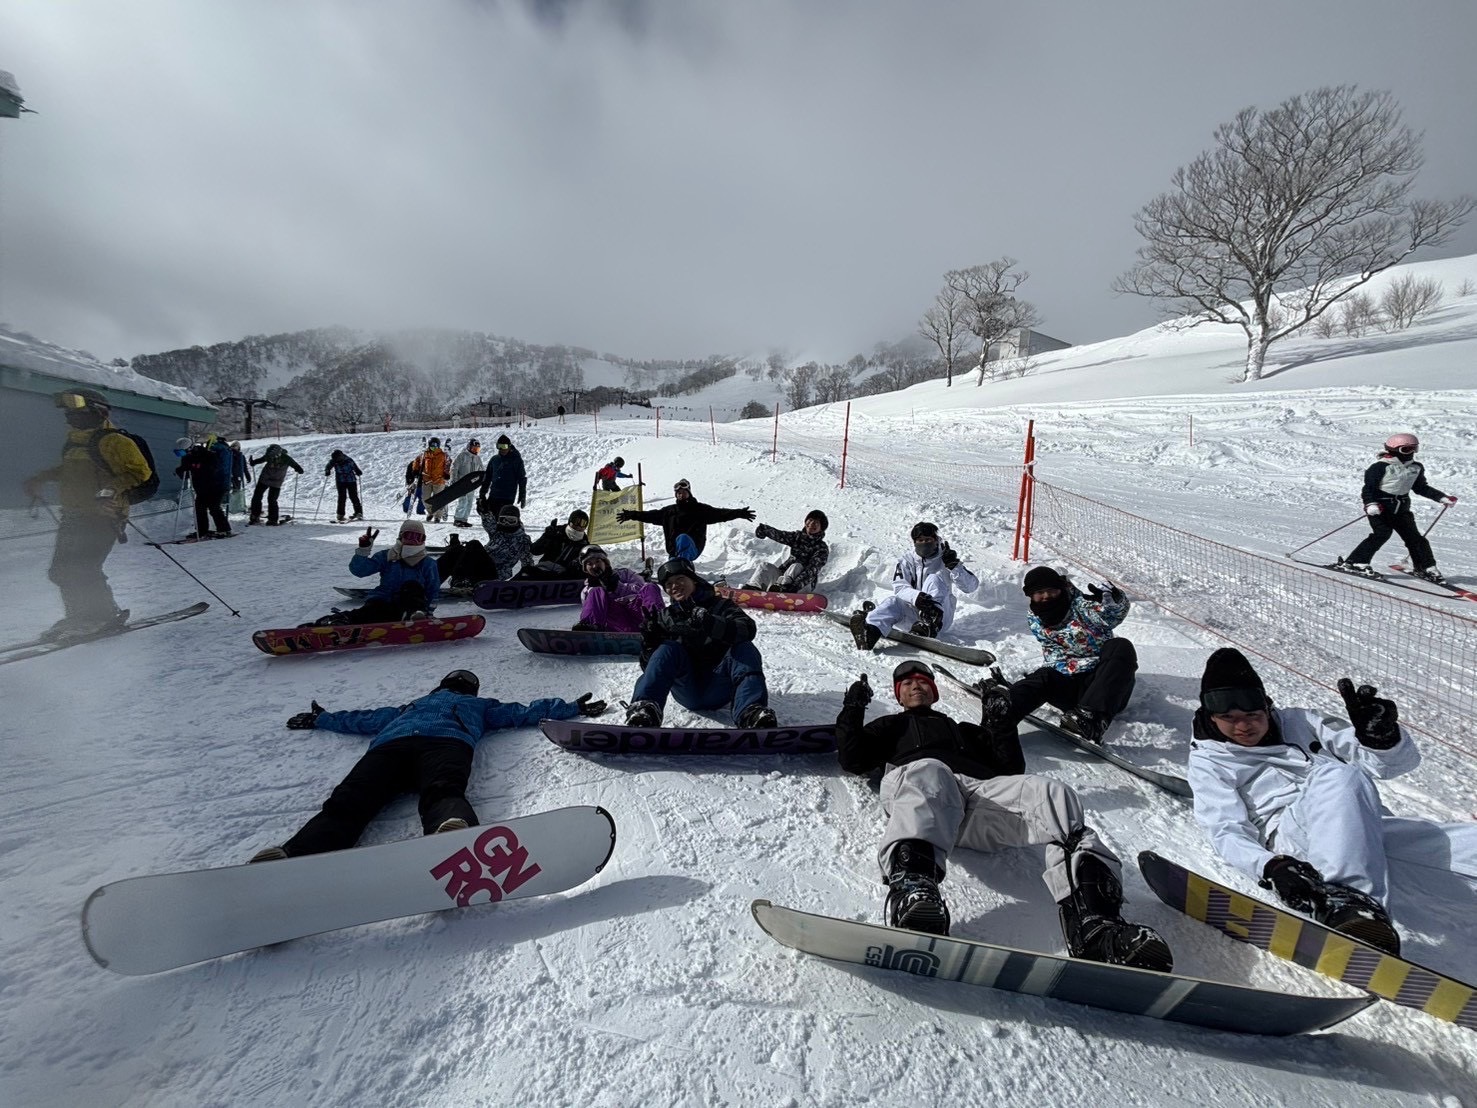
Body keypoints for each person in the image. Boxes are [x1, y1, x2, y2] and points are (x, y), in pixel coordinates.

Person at [835, 660, 1173, 970]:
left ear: (934, 692)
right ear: (899, 696)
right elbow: (853, 759)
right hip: (924, 797)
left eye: (923, 682)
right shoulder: (889, 726)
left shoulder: (965, 730)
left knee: (1052, 792)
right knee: (930, 769)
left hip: (979, 802)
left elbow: (1009, 769)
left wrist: (1000, 722)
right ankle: (913, 891)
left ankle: (1096, 924)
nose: (916, 687)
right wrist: (853, 709)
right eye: (907, 684)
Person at [1187, 647, 1477, 955]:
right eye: (1229, 718)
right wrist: (1270, 866)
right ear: (1212, 716)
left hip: (1358, 829)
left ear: (1267, 708)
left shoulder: (1301, 721)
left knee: (1447, 843)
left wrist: (1382, 740)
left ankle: (1355, 906)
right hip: (1293, 841)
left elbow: (1386, 767)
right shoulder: (1209, 760)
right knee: (1339, 775)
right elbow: (1225, 829)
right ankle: (1348, 905)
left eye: (1252, 716)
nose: (1243, 726)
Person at [249, 670, 608, 860]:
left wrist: (569, 707)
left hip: (417, 747)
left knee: (372, 799)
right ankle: (294, 856)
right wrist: (322, 719)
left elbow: (521, 712)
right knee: (360, 799)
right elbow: (364, 718)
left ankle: (452, 834)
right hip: (422, 746)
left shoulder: (454, 706)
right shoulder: (423, 705)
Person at [22, 387, 152, 640]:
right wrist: (40, 478)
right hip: (73, 514)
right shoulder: (74, 442)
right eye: (68, 412)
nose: (70, 416)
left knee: (85, 568)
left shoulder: (116, 442)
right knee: (60, 570)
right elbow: (68, 471)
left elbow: (140, 473)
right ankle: (78, 616)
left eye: (76, 411)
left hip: (104, 515)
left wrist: (110, 489)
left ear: (97, 412)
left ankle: (103, 616)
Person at [983, 566, 1138, 746]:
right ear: (1031, 595)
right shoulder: (1035, 618)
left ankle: (1091, 720)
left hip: (1104, 688)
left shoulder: (1082, 605)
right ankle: (1004, 709)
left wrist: (1117, 601)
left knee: (1121, 646)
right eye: (1040, 592)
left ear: (1061, 588)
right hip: (1070, 687)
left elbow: (1110, 615)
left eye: (1051, 590)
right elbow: (1053, 656)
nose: (1046, 596)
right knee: (1045, 676)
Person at [625, 557, 775, 729]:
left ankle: (751, 712)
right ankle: (644, 710)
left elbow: (747, 629)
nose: (675, 586)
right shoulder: (664, 617)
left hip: (720, 685)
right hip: (687, 690)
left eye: (680, 579)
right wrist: (649, 644)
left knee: (744, 647)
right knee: (667, 648)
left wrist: (710, 622)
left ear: (694, 580)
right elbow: (652, 670)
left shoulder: (721, 606)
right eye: (669, 584)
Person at [1336, 433, 1458, 584]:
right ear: (1393, 450)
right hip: (1381, 508)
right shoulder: (1380, 467)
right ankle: (1355, 562)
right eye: (1406, 449)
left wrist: (1441, 497)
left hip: (1402, 509)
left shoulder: (1416, 467)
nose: (1411, 453)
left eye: (1414, 449)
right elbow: (1368, 489)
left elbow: (1420, 487)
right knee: (1382, 534)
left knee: (1416, 539)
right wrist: (1370, 504)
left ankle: (1426, 567)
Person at [849, 522, 978, 648]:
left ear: (936, 540)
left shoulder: (945, 558)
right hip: (913, 617)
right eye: (920, 540)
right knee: (893, 602)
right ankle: (870, 632)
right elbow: (900, 587)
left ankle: (929, 625)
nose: (924, 543)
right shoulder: (907, 561)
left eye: (928, 539)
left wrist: (955, 567)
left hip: (941, 619)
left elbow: (971, 587)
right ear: (914, 542)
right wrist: (917, 597)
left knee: (933, 579)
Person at [304, 521, 439, 625]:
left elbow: (432, 588)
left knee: (412, 587)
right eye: (409, 535)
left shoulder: (427, 563)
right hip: (384, 601)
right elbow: (360, 571)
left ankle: (416, 615)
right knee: (371, 611)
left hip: (409, 604)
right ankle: (338, 621)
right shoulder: (387, 556)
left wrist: (429, 611)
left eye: (418, 537)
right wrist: (363, 551)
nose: (413, 540)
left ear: (423, 540)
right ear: (400, 536)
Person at [616, 478, 755, 558]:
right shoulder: (669, 511)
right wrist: (631, 515)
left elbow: (720, 514)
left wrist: (739, 513)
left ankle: (682, 569)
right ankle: (675, 570)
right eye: (678, 492)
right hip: (674, 551)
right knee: (675, 561)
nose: (680, 494)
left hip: (693, 548)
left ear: (689, 492)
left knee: (683, 538)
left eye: (683, 491)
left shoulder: (700, 509)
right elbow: (650, 515)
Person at [573, 545, 664, 632]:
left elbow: (643, 588)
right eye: (589, 564)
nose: (594, 566)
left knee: (650, 586)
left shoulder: (625, 573)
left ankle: (658, 621)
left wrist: (618, 587)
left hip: (640, 614)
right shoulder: (587, 591)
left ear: (605, 562)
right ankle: (590, 628)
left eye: (597, 561)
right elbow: (592, 609)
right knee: (596, 591)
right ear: (586, 569)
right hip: (617, 622)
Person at [749, 510, 829, 592]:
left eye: (816, 522)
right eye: (810, 520)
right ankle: (753, 589)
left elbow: (812, 570)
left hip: (802, 585)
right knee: (765, 566)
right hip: (782, 580)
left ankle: (783, 589)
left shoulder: (821, 548)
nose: (812, 523)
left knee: (796, 566)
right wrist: (764, 530)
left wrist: (794, 586)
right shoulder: (797, 537)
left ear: (821, 528)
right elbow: (781, 535)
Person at [175, 435, 231, 539]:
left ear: (190, 448)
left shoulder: (207, 454)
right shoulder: (186, 458)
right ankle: (201, 531)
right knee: (199, 508)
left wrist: (195, 468)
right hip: (201, 488)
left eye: (182, 452)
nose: (182, 455)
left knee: (214, 507)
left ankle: (224, 530)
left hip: (216, 486)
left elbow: (213, 468)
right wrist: (180, 471)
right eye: (179, 453)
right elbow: (186, 474)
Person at [522, 509, 590, 579]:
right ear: (570, 521)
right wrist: (546, 537)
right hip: (543, 569)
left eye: (583, 523)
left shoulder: (584, 545)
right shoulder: (556, 532)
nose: (578, 526)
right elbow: (535, 550)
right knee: (524, 572)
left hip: (563, 576)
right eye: (576, 521)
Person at [249, 443, 304, 525]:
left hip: (276, 481)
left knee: (272, 499)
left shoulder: (286, 458)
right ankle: (255, 516)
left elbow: (296, 465)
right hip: (265, 478)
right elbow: (261, 460)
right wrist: (253, 462)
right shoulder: (269, 455)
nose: (271, 458)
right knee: (257, 496)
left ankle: (273, 519)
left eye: (273, 457)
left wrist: (298, 469)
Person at [477, 434, 526, 518]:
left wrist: (522, 494)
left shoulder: (516, 460)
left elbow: (521, 478)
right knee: (489, 517)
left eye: (504, 446)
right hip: (494, 495)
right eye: (499, 446)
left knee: (502, 519)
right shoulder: (494, 459)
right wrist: (482, 494)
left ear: (509, 446)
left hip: (507, 497)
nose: (502, 449)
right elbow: (487, 478)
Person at [411, 437, 453, 523]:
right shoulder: (425, 454)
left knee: (438, 500)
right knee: (425, 499)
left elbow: (448, 465)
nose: (433, 448)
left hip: (439, 480)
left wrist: (447, 474)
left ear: (438, 446)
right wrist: (415, 470)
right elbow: (416, 461)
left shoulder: (443, 455)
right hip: (427, 480)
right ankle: (431, 513)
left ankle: (438, 516)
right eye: (432, 446)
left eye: (435, 446)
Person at [451, 439, 485, 527]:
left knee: (469, 502)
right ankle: (458, 519)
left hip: (472, 484)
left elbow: (481, 470)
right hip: (462, 483)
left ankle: (464, 519)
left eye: (477, 449)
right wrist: (454, 480)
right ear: (469, 447)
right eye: (474, 448)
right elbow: (454, 468)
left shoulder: (477, 458)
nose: (475, 450)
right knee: (463, 501)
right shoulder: (462, 456)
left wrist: (483, 480)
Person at [324, 449, 364, 522]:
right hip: (340, 481)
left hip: (351, 480)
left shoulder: (348, 460)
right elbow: (328, 466)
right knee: (342, 497)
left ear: (341, 455)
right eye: (336, 459)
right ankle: (340, 514)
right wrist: (327, 471)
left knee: (353, 496)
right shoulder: (333, 461)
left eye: (338, 458)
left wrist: (358, 471)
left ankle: (358, 513)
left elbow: (355, 467)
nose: (337, 460)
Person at [228, 441, 251, 515]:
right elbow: (244, 467)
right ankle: (235, 506)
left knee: (233, 491)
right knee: (236, 491)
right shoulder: (239, 455)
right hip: (237, 476)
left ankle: (231, 506)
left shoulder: (229, 454)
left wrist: (247, 475)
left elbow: (244, 467)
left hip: (231, 475)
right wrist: (247, 476)